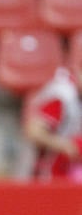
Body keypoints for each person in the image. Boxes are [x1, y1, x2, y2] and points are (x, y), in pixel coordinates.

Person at [21, 49, 82, 180]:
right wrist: (63, 145)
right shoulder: (62, 96)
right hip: (42, 176)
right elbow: (33, 131)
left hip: (66, 175)